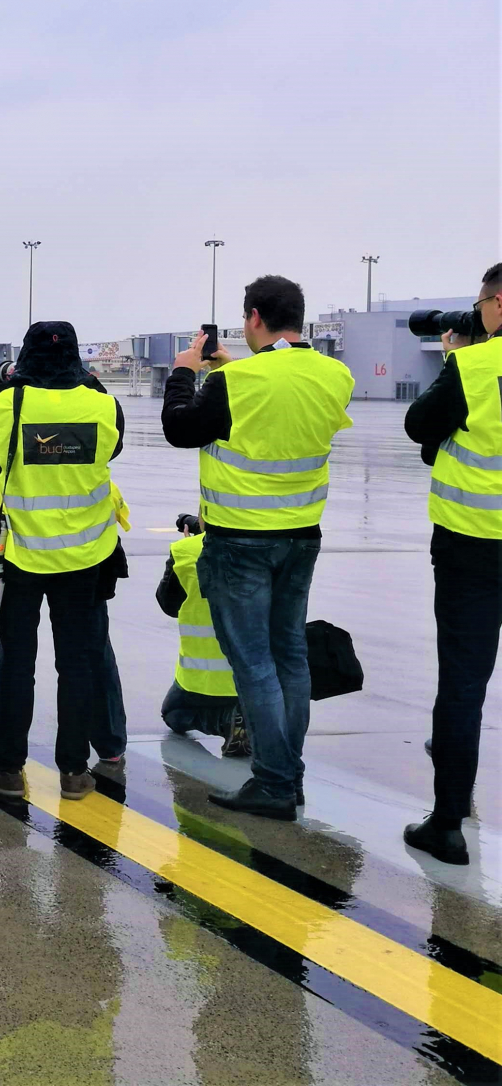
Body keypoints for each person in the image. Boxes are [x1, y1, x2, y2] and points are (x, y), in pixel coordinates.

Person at [163, 274, 353, 820]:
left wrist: (185, 372)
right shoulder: (335, 374)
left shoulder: (236, 380)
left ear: (253, 317)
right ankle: (289, 776)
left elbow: (181, 428)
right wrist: (233, 370)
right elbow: (280, 406)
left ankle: (272, 782)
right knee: (290, 656)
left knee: (253, 665)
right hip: (301, 536)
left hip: (240, 540)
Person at [0, 321, 125, 803]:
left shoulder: (7, 405)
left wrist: (13, 387)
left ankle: (8, 767)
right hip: (84, 555)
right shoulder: (104, 405)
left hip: (20, 556)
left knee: (18, 661)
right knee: (77, 663)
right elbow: (114, 448)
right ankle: (73, 771)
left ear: (26, 359)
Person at [399, 263, 502, 865]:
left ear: (498, 304)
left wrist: (455, 358)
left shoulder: (473, 367)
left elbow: (419, 426)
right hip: (473, 549)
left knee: (463, 688)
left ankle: (447, 826)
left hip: (474, 548)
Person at [156, 513, 249, 756]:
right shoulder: (268, 549)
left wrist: (191, 547)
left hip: (201, 681)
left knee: (173, 715)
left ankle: (225, 721)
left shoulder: (186, 551)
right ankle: (250, 721)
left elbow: (169, 605)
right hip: (255, 678)